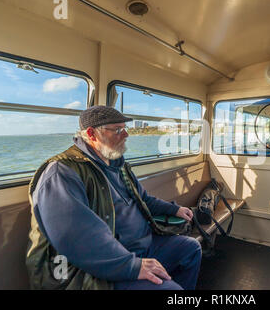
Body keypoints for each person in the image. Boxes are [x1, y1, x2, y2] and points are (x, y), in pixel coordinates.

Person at [26, 105, 202, 290]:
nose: (126, 135)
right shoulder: (62, 173)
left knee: (190, 249)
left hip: (144, 245)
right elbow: (77, 237)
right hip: (106, 261)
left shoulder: (118, 165)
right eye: (118, 130)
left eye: (125, 129)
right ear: (92, 134)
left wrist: (174, 209)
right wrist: (132, 266)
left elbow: (143, 200)